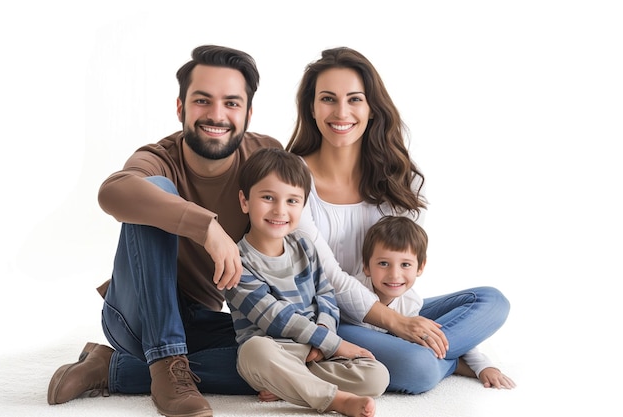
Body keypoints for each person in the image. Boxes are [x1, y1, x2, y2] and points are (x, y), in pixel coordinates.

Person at [46, 45, 283, 417]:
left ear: (249, 113)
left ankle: (112, 368)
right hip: (135, 315)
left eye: (232, 103)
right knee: (154, 190)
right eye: (203, 100)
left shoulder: (265, 157)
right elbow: (113, 190)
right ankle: (166, 363)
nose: (217, 115)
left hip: (199, 322)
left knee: (284, 361)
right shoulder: (159, 157)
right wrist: (206, 227)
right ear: (181, 108)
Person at [286, 46, 512, 394]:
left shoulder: (395, 177)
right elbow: (328, 280)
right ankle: (443, 357)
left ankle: (441, 352)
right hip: (333, 319)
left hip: (393, 310)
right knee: (419, 369)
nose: (342, 111)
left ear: (372, 108)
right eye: (328, 99)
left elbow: (400, 272)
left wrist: (407, 323)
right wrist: (397, 323)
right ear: (312, 108)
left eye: (355, 99)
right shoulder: (292, 178)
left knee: (492, 301)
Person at [224, 147, 389, 417]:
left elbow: (325, 295)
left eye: (292, 201)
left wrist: (323, 340)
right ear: (245, 201)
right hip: (275, 350)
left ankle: (290, 384)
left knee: (377, 376)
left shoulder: (304, 245)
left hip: (314, 351)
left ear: (303, 205)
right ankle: (333, 399)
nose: (280, 210)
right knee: (253, 351)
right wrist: (333, 344)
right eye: (268, 197)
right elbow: (274, 317)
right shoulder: (236, 261)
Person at [359, 216, 515, 389]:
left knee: (492, 300)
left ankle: (435, 361)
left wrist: (482, 365)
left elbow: (441, 334)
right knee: (418, 364)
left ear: (420, 267)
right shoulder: (356, 294)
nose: (394, 275)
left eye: (405, 264)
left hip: (403, 347)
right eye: (383, 263)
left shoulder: (410, 301)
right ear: (366, 266)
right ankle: (452, 363)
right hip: (358, 341)